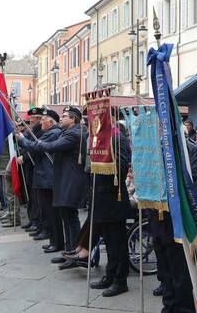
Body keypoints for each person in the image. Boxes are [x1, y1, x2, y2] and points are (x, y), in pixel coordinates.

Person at [18, 106, 87, 263]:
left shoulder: (74, 133)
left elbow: (48, 147)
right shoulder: (67, 132)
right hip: (64, 180)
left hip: (70, 181)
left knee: (70, 217)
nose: (61, 118)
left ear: (74, 119)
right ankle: (70, 252)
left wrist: (23, 140)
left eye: (64, 116)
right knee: (66, 216)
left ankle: (73, 252)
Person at [150, 124, 197, 312]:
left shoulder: (188, 148)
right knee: (164, 268)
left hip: (176, 215)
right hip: (157, 214)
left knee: (179, 269)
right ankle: (169, 305)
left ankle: (183, 308)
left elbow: (192, 177)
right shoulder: (151, 149)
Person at [88, 122, 132, 297]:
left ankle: (121, 280)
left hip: (114, 199)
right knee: (109, 243)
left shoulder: (117, 138)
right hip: (100, 199)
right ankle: (110, 275)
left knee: (117, 244)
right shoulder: (99, 138)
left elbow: (121, 168)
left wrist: (103, 160)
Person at [17, 109, 64, 249]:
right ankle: (53, 240)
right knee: (46, 210)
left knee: (51, 212)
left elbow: (36, 147)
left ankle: (56, 242)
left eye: (43, 119)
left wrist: (22, 139)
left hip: (47, 178)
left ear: (50, 121)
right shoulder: (50, 132)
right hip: (43, 176)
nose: (41, 122)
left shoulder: (53, 133)